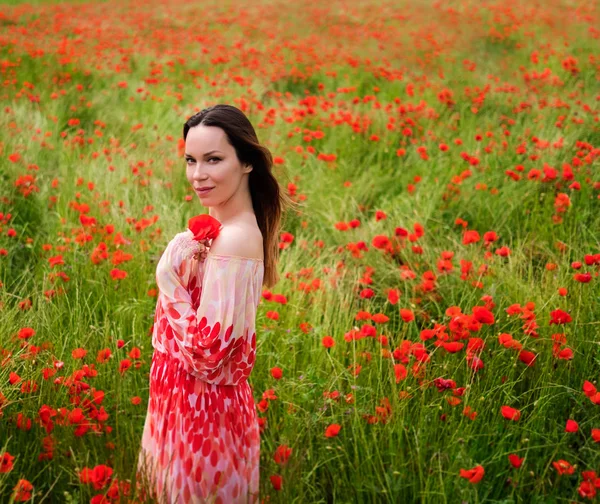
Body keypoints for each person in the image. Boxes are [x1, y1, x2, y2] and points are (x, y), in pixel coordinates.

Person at [136, 104, 295, 503]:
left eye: (213, 160)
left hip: (203, 416)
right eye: (190, 160)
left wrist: (167, 280)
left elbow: (208, 353)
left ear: (247, 164)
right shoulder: (221, 224)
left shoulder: (236, 238)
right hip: (182, 403)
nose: (197, 175)